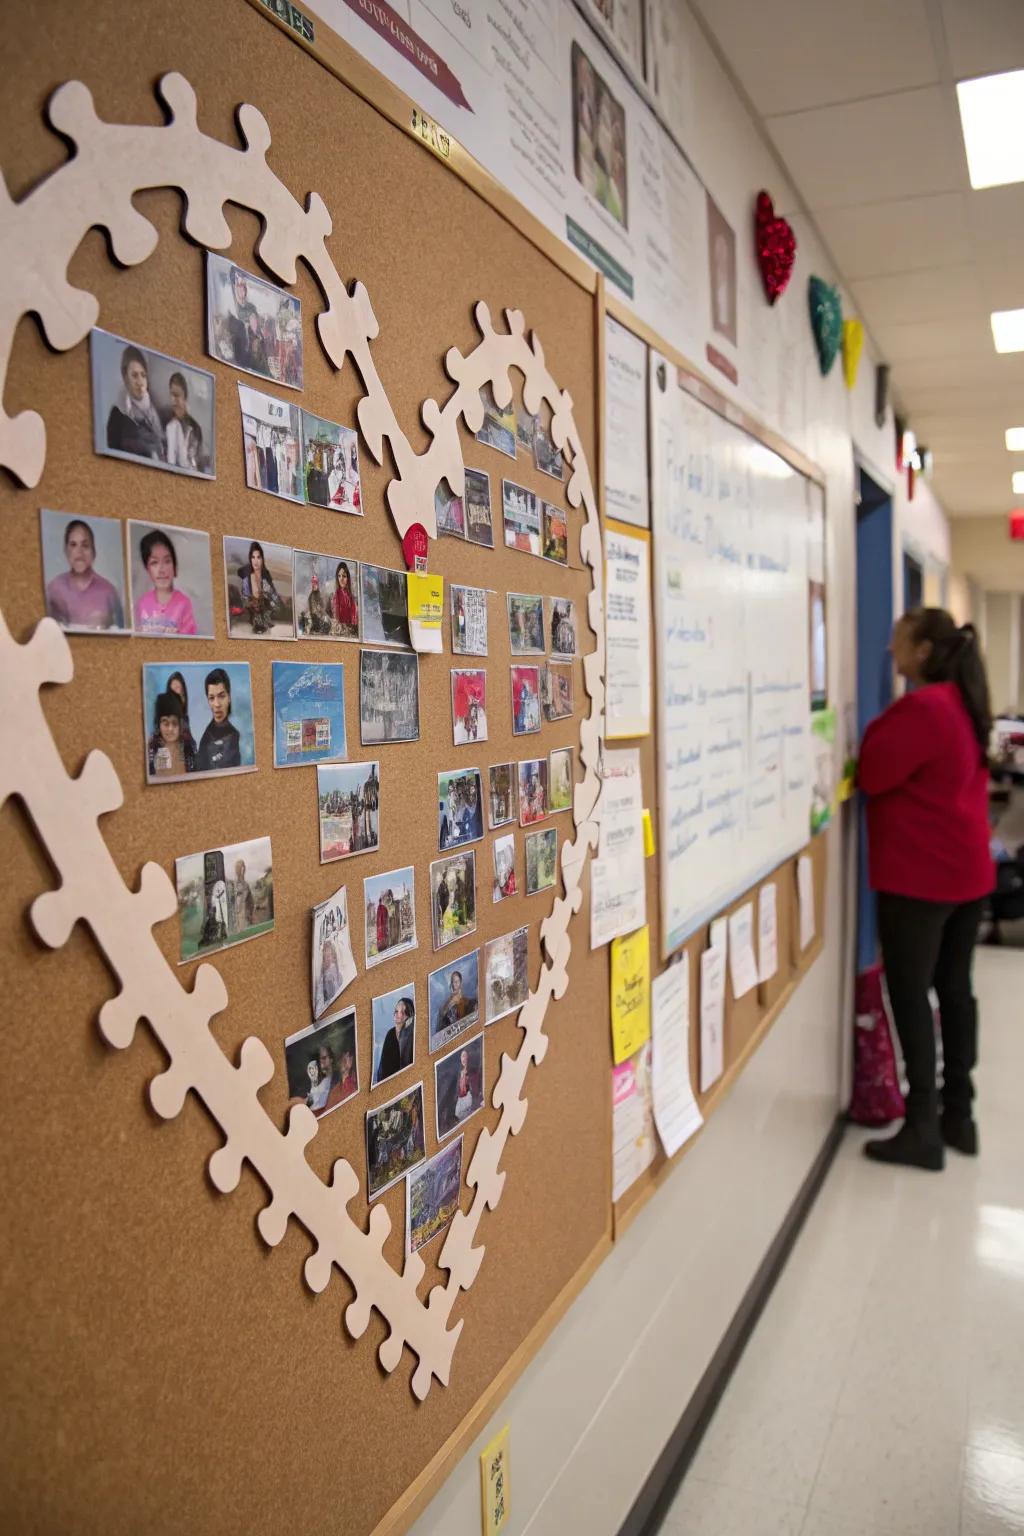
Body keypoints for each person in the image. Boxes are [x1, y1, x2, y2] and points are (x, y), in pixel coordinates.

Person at [858, 609, 994, 1170]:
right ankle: (959, 1117)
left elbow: (872, 771)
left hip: (921, 879)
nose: (891, 653)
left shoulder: (925, 707)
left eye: (898, 643)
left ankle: (922, 1128)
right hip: (968, 874)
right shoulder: (964, 701)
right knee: (954, 990)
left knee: (911, 995)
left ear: (922, 652)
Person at [45, 517, 125, 631]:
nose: (79, 551)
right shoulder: (54, 588)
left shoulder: (109, 592)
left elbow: (121, 635)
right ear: (66, 550)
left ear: (94, 551)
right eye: (73, 544)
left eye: (85, 545)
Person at [106, 344, 165, 461]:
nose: (140, 382)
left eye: (143, 375)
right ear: (126, 378)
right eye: (134, 375)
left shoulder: (158, 412)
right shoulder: (118, 415)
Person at [133, 528, 198, 636]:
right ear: (147, 569)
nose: (162, 570)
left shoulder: (184, 603)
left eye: (167, 561)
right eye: (154, 562)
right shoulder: (142, 603)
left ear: (174, 566)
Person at [195, 667, 241, 772]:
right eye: (211, 698)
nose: (217, 704)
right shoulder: (206, 734)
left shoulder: (234, 736)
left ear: (229, 697)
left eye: (221, 696)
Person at [147, 689, 195, 779]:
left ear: (180, 724)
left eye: (174, 723)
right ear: (158, 724)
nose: (170, 729)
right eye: (165, 723)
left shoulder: (187, 749)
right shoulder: (152, 749)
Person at [163, 371, 205, 472]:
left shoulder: (196, 428)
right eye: (171, 395)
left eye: (177, 395)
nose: (173, 400)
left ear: (185, 398)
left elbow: (200, 465)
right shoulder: (168, 426)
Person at [239, 540, 281, 635]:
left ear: (262, 559)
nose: (256, 561)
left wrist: (268, 597)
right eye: (253, 557)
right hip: (252, 620)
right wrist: (250, 603)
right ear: (250, 559)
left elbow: (276, 602)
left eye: (258, 557)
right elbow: (244, 601)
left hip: (267, 621)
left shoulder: (266, 579)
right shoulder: (247, 580)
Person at [377, 996, 415, 1083]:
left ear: (410, 1015)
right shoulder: (390, 1034)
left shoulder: (411, 1035)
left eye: (403, 1012)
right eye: (397, 1011)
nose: (399, 1015)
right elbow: (382, 1067)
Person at [227, 858, 254, 934]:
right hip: (234, 917)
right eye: (237, 868)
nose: (238, 870)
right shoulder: (232, 884)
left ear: (243, 870)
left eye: (240, 868)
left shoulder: (246, 885)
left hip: (243, 917)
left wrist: (250, 915)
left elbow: (251, 902)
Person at [332, 561, 358, 635]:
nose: (341, 579)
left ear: (348, 578)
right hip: (341, 633)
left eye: (344, 576)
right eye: (339, 576)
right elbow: (336, 618)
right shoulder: (336, 596)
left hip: (351, 633)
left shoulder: (351, 597)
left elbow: (354, 618)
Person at [318, 938, 341, 1014]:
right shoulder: (323, 975)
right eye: (326, 956)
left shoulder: (334, 967)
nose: (328, 958)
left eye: (330, 955)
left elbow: (338, 984)